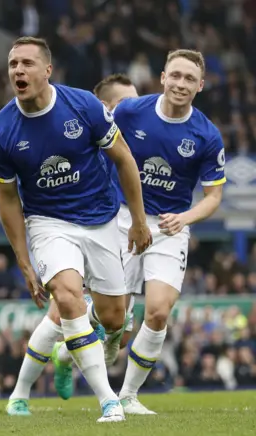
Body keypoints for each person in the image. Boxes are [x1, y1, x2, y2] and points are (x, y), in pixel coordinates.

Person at [0, 37, 151, 423]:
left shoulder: (83, 106)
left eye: (27, 63)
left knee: (114, 319)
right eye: (13, 64)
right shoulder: (1, 129)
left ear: (47, 71)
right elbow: (7, 198)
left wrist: (139, 220)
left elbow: (124, 159)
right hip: (48, 223)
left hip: (101, 218)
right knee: (67, 295)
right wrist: (24, 262)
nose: (18, 71)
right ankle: (108, 400)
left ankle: (51, 364)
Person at [110, 49, 226, 415]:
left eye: (189, 79)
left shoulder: (206, 135)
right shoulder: (130, 112)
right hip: (122, 219)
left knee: (158, 311)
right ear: (162, 77)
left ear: (200, 86)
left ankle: (127, 396)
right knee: (111, 320)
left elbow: (214, 196)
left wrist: (186, 218)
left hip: (168, 225)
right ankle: (70, 352)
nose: (180, 84)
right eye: (175, 75)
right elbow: (99, 150)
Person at [21, 74, 140, 404]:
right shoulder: (84, 131)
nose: (133, 109)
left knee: (119, 322)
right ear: (105, 106)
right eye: (125, 103)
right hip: (83, 226)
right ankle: (22, 393)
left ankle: (64, 356)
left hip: (122, 224)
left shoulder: (132, 138)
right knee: (63, 305)